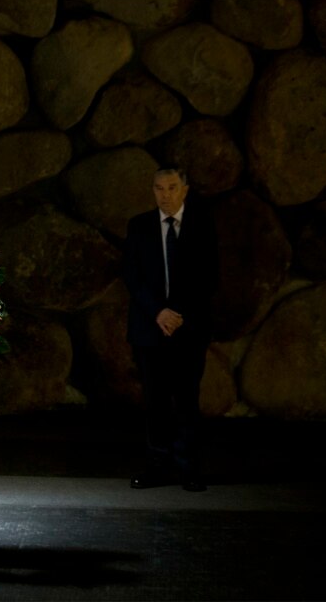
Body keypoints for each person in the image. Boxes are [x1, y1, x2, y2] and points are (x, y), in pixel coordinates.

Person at [123, 168, 218, 493]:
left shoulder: (202, 225)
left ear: (185, 190)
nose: (165, 194)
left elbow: (208, 276)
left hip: (189, 327)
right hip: (150, 328)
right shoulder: (139, 226)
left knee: (188, 399)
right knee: (155, 400)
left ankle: (188, 467)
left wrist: (178, 315)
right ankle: (157, 465)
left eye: (172, 187)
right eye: (159, 188)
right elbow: (132, 276)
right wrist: (158, 312)